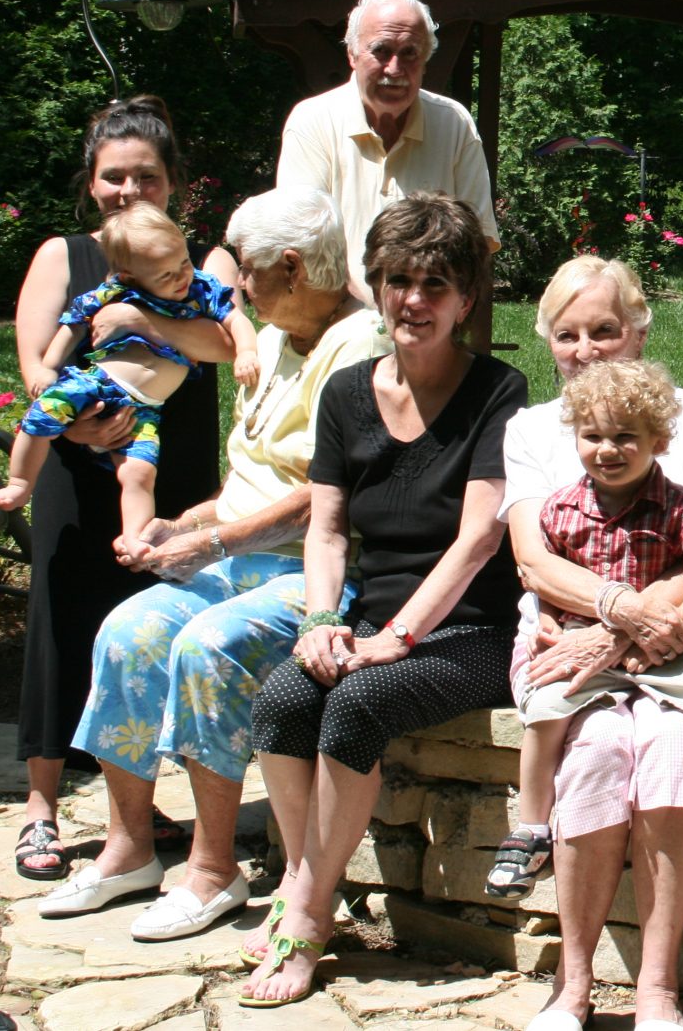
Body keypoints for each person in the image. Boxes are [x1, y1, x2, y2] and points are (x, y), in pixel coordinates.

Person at [36, 187, 389, 943]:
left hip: (315, 570)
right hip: (239, 553)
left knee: (207, 646)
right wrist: (180, 524)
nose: (235, 291)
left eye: (249, 275)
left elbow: (325, 497)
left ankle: (212, 867)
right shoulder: (285, 336)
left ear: (291, 267)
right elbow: (246, 485)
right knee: (126, 630)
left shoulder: (359, 346)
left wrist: (213, 543)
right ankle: (129, 846)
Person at [240, 193, 527, 1008]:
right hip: (371, 620)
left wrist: (396, 636)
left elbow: (479, 539)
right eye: (398, 279)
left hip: (472, 627)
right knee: (283, 701)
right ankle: (305, 874)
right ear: (375, 284)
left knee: (357, 705)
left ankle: (308, 913)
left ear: (466, 299)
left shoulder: (497, 392)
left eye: (437, 283)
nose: (415, 300)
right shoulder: (346, 397)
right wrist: (323, 621)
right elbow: (326, 532)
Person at [498, 254, 683, 1031]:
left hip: (678, 636)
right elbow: (535, 558)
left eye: (605, 329)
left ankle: (657, 990)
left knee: (673, 748)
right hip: (560, 636)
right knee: (597, 748)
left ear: (638, 328)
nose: (587, 348)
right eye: (567, 334)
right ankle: (573, 986)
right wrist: (611, 619)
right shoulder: (533, 429)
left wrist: (624, 626)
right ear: (547, 342)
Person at [11, 98, 240, 884]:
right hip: (79, 472)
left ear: (173, 182)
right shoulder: (63, 257)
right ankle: (40, 806)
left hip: (171, 470)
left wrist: (144, 312)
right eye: (115, 176)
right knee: (63, 617)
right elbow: (37, 362)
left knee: (149, 630)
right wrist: (75, 428)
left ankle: (134, 813)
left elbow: (224, 342)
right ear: (93, 181)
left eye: (146, 174)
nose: (129, 188)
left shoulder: (202, 263)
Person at [486, 358, 683, 902]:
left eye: (625, 437)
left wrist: (682, 621)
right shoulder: (563, 508)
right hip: (583, 643)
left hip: (670, 642)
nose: (607, 450)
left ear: (659, 439)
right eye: (592, 436)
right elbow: (543, 572)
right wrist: (548, 616)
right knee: (547, 709)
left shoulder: (682, 507)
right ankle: (530, 828)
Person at [0, 203, 247, 545]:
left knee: (140, 473)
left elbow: (236, 321)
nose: (182, 277)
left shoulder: (201, 289)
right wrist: (48, 366)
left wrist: (246, 351)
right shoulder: (117, 291)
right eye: (165, 275)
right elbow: (73, 323)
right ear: (130, 276)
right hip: (95, 385)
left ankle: (135, 535)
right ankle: (20, 483)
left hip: (144, 408)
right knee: (40, 420)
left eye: (183, 262)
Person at [275, 0, 497, 294]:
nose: (395, 68)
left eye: (409, 53)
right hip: (336, 322)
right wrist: (370, 318)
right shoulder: (313, 121)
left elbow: (478, 241)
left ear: (425, 59)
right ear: (352, 54)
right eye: (381, 50)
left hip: (428, 320)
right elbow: (302, 244)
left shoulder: (454, 123)